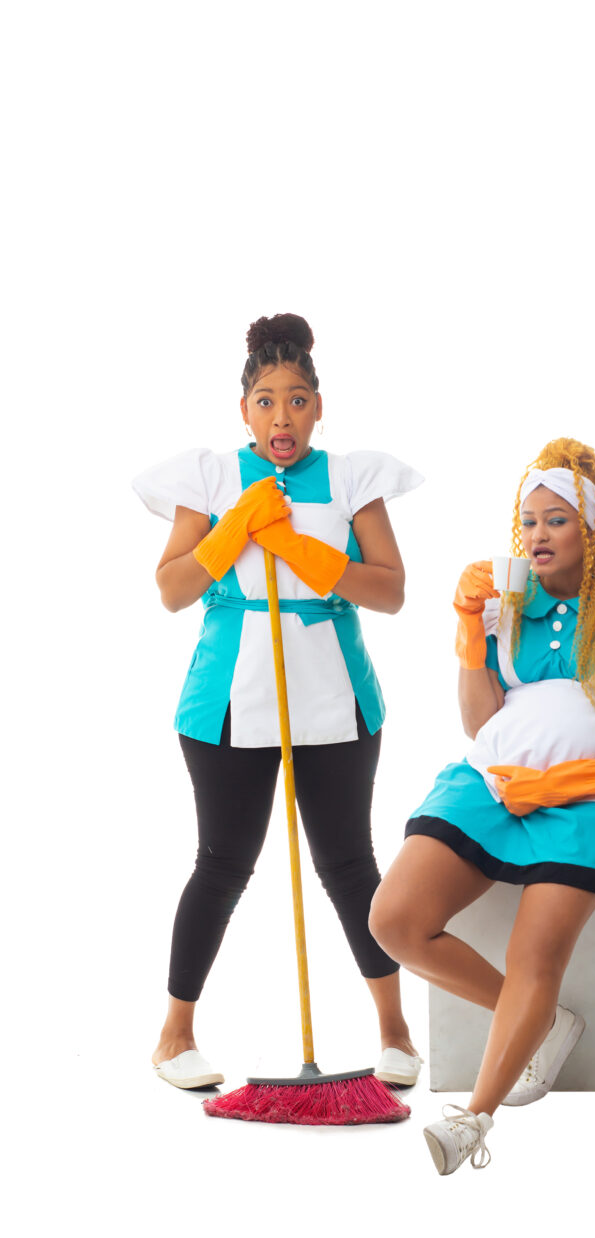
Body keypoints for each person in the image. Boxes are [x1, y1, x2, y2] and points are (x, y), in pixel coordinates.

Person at [370, 438, 595, 1174]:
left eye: (557, 521)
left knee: (533, 955)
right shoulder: (505, 611)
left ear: (593, 532)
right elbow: (479, 722)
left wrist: (562, 784)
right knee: (394, 922)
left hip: (590, 801)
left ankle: (473, 1119)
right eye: (529, 521)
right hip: (491, 784)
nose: (538, 534)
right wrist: (468, 633)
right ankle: (541, 1021)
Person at [133, 313, 424, 1091]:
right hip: (226, 705)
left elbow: (391, 591)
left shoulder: (353, 480)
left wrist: (299, 548)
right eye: (265, 401)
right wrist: (234, 528)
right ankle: (173, 1036)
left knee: (350, 864)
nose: (282, 417)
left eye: (297, 400)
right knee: (223, 864)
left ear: (318, 407)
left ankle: (395, 1033)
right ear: (245, 411)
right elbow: (172, 590)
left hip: (337, 701)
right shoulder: (209, 479)